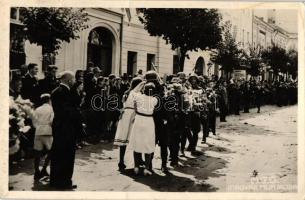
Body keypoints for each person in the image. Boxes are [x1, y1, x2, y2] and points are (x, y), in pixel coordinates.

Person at [50, 71, 82, 190]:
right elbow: (69, 110)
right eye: (73, 79)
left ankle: (57, 180)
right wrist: (78, 115)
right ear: (69, 80)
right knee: (67, 155)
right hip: (66, 127)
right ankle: (64, 181)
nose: (74, 81)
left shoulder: (58, 91)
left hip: (60, 127)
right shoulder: (64, 92)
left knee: (58, 154)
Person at [113, 77, 143, 171]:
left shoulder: (127, 92)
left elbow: (123, 103)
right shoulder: (136, 93)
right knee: (135, 137)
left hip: (125, 114)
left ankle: (121, 161)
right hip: (132, 114)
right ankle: (137, 161)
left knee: (124, 138)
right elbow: (137, 106)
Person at [128, 82, 158, 176]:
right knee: (148, 145)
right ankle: (146, 168)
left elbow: (133, 93)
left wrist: (142, 84)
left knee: (137, 143)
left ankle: (136, 167)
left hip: (139, 119)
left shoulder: (138, 96)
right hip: (148, 121)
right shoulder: (154, 100)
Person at [29, 94, 54, 181]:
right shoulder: (51, 109)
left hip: (38, 131)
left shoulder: (37, 109)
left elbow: (33, 122)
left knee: (37, 153)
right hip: (47, 131)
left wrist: (38, 127)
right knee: (51, 151)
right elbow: (52, 121)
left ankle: (36, 172)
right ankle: (44, 169)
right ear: (49, 100)